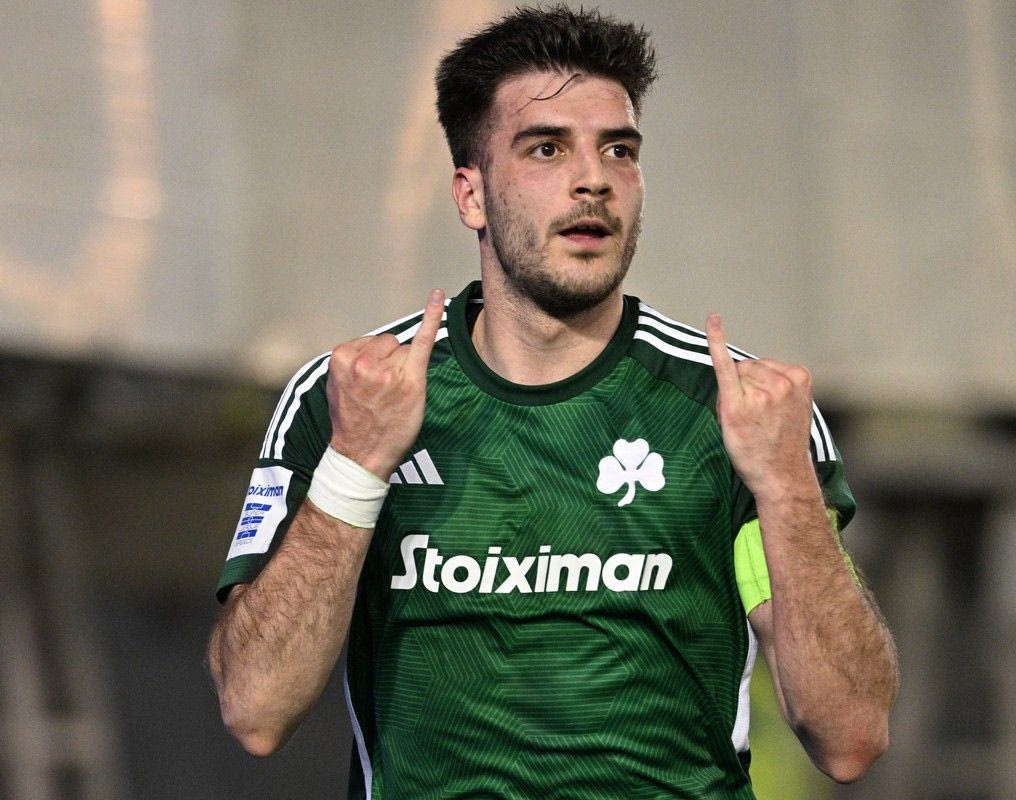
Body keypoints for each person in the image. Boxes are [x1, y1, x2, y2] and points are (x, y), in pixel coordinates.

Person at [207, 5, 898, 798]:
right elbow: (256, 711)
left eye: (619, 150)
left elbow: (850, 737)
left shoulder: (728, 407)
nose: (593, 178)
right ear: (471, 195)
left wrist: (786, 489)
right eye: (547, 148)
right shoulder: (349, 399)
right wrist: (355, 465)